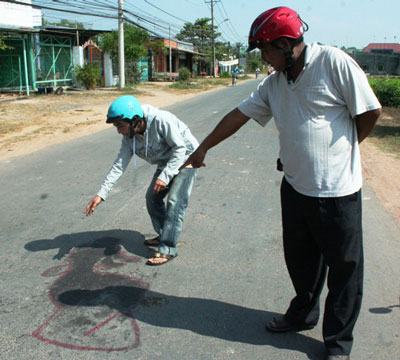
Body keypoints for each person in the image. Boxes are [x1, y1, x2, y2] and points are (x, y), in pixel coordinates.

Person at [183, 6, 381, 360]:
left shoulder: (332, 62)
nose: (264, 59)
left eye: (266, 51)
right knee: (301, 262)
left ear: (287, 45)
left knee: (345, 271)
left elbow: (369, 111)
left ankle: (337, 343)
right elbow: (237, 116)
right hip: (294, 189)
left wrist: (345, 150)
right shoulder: (273, 84)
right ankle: (303, 313)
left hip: (338, 192)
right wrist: (203, 148)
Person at [85, 95, 198, 266]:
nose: (119, 131)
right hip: (165, 161)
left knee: (175, 201)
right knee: (152, 198)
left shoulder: (161, 120)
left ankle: (168, 248)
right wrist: (101, 194)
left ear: (135, 121)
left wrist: (165, 176)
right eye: (116, 126)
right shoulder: (129, 137)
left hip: (187, 157)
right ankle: (164, 234)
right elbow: (119, 165)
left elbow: (180, 148)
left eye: (120, 126)